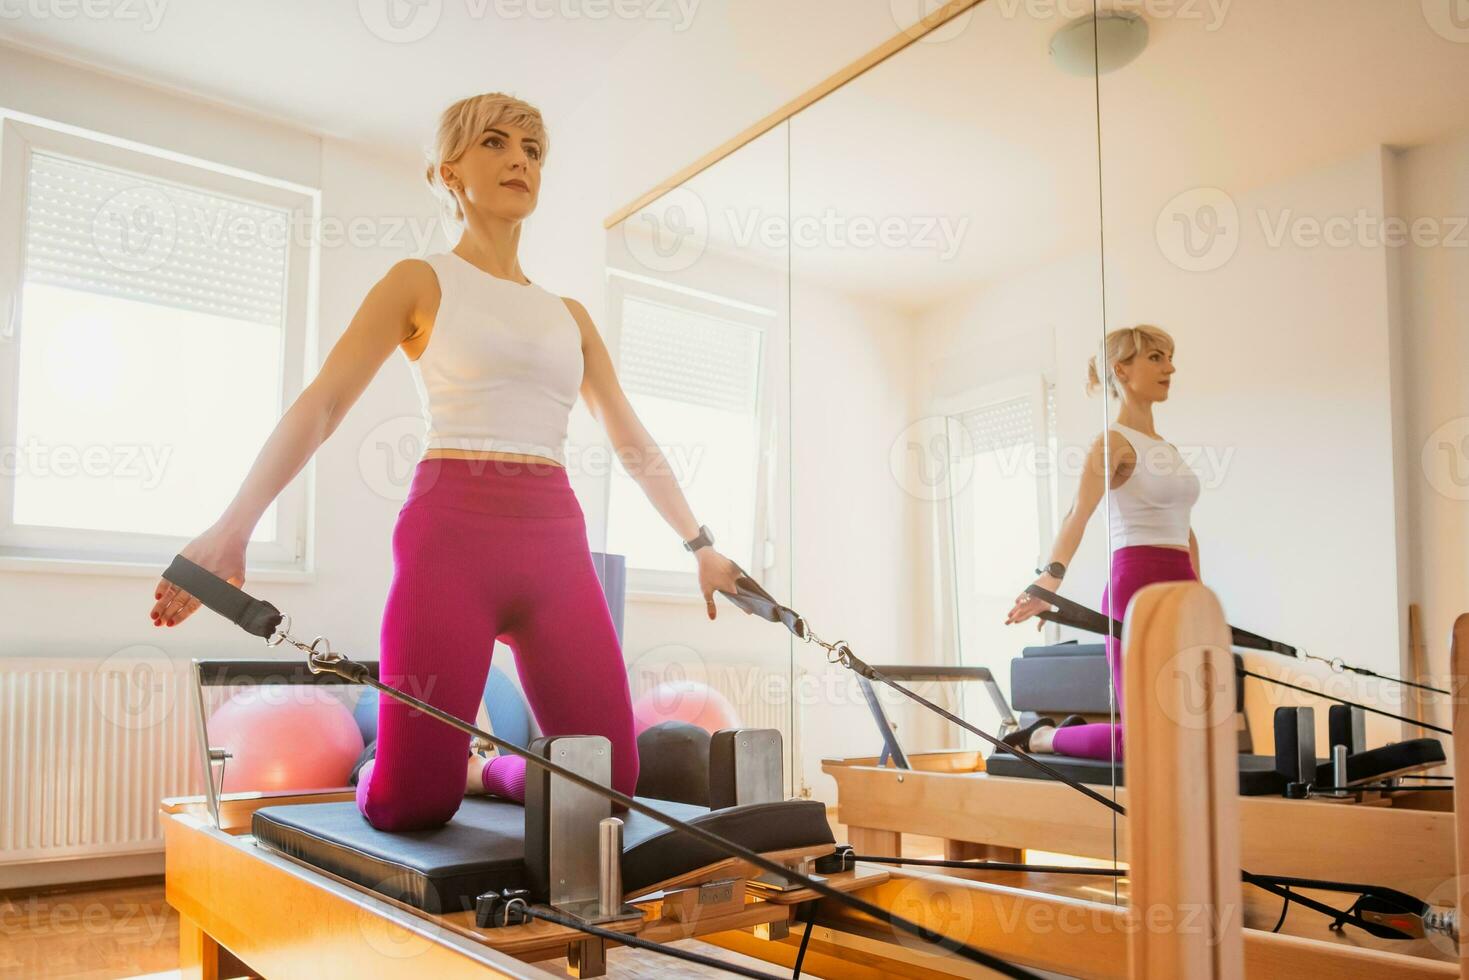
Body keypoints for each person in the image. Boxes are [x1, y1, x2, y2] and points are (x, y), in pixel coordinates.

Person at [147, 92, 743, 831]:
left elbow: (631, 437)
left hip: (553, 541)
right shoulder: (419, 281)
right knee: (410, 804)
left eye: (532, 149)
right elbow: (324, 402)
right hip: (451, 539)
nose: (518, 159)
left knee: (605, 779)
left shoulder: (570, 316)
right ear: (448, 172)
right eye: (494, 143)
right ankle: (404, 769)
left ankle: (483, 769)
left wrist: (701, 545)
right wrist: (231, 529)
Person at [1002, 325, 1201, 761]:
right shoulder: (1112, 443)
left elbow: (1184, 530)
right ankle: (1041, 738)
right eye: (1155, 358)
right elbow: (1078, 513)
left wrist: (1201, 597)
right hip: (1136, 592)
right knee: (1143, 739)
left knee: (1188, 729)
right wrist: (1046, 584)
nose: (1170, 367)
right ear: (1122, 370)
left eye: (1168, 357)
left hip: (1182, 594)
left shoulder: (1165, 447)